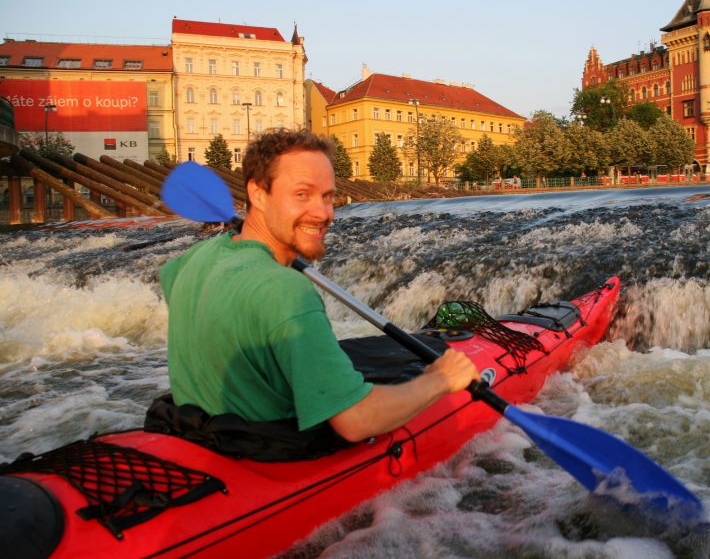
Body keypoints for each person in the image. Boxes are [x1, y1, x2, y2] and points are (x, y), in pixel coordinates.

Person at [160, 128, 479, 447]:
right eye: (302, 194)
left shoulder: (191, 259)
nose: (322, 213)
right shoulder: (286, 290)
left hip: (200, 436)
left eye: (327, 196)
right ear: (257, 193)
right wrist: (440, 380)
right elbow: (355, 422)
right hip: (265, 453)